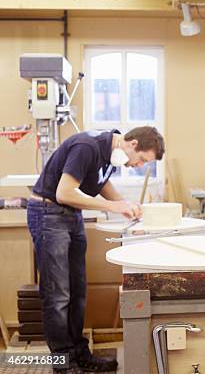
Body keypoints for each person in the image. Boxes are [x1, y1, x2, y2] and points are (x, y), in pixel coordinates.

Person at [27, 126, 165, 373]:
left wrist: (123, 204)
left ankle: (79, 353)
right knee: (58, 295)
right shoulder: (87, 147)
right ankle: (63, 361)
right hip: (48, 214)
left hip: (71, 216)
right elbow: (64, 192)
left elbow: (99, 181)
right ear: (132, 144)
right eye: (142, 159)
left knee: (78, 293)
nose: (139, 165)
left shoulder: (109, 151)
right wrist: (112, 207)